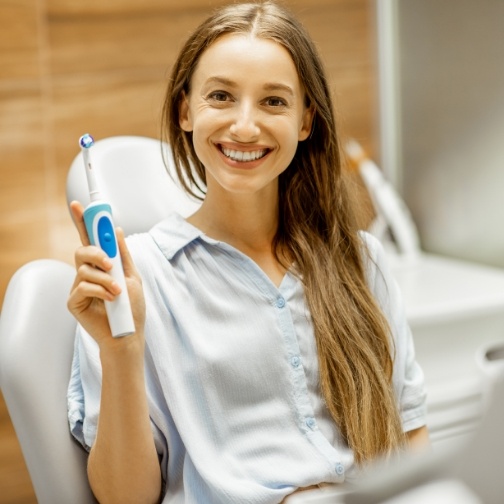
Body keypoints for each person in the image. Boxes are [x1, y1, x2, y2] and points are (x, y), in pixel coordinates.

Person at [67, 2, 429, 503]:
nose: (244, 126)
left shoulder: (360, 260)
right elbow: (125, 498)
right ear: (185, 110)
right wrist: (120, 351)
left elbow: (411, 440)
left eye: (273, 102)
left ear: (306, 120)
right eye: (221, 96)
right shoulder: (132, 281)